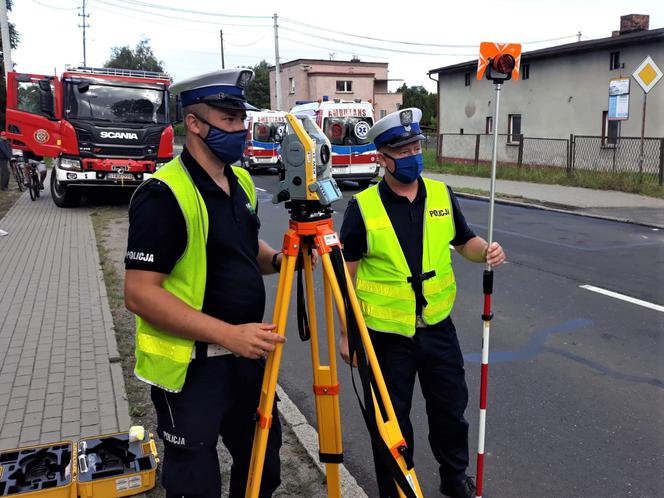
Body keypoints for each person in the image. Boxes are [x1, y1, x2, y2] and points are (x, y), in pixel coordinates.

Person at [124, 69, 287, 498]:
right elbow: (139, 293)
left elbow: (243, 248)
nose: (240, 129)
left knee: (263, 470)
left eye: (241, 119)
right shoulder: (163, 195)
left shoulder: (240, 181)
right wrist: (229, 335)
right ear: (194, 123)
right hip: (192, 370)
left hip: (245, 362)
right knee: (196, 484)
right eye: (228, 120)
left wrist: (280, 260)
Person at [339, 108, 506, 498]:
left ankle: (453, 479)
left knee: (450, 412)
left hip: (437, 329)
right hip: (385, 338)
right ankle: (398, 488)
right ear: (382, 158)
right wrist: (347, 334)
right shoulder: (362, 208)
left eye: (416, 145)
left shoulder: (441, 195)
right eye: (403, 149)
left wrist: (487, 252)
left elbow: (464, 242)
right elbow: (344, 276)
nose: (414, 154)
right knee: (392, 424)